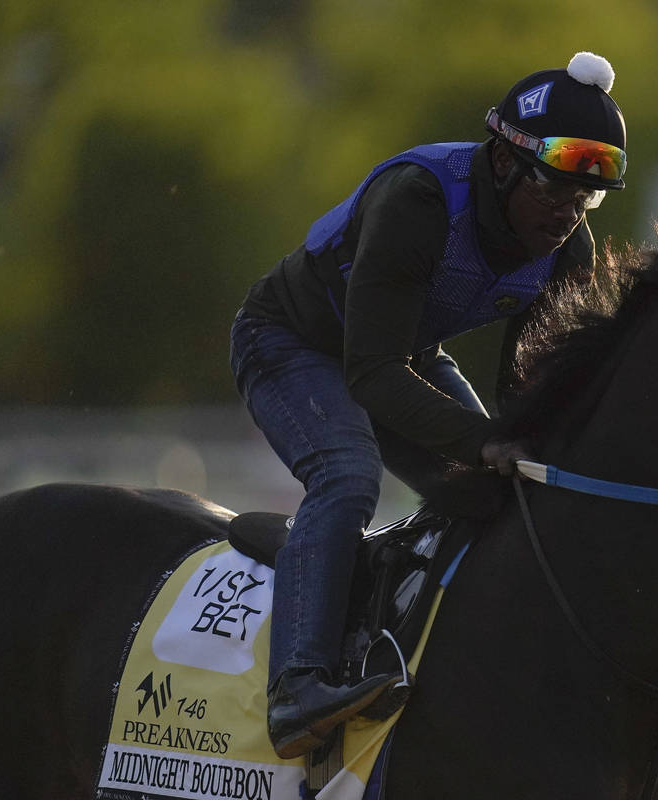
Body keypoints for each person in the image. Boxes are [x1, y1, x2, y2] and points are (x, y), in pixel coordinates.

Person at [229, 51, 629, 759]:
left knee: (496, 492)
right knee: (348, 475)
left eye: (585, 199)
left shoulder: (569, 251)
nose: (568, 214)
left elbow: (524, 401)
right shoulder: (417, 199)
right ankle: (297, 686)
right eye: (553, 190)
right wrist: (483, 441)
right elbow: (372, 375)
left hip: (398, 355)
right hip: (290, 342)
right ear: (503, 164)